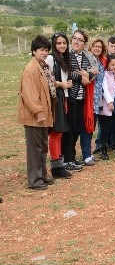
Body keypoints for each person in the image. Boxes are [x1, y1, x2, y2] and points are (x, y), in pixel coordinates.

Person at [18, 35, 55, 189]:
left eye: (46, 50)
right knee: (35, 149)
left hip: (43, 115)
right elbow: (30, 94)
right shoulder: (31, 69)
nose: (44, 53)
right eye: (41, 49)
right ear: (33, 51)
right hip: (35, 116)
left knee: (42, 146)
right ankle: (34, 180)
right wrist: (39, 113)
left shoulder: (43, 66)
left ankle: (42, 174)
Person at [66, 29, 98, 168]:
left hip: (83, 98)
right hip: (70, 96)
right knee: (70, 129)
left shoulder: (88, 57)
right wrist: (82, 77)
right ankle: (68, 158)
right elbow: (66, 72)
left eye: (80, 40)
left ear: (84, 43)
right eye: (74, 38)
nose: (76, 41)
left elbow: (95, 72)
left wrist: (88, 75)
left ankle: (71, 157)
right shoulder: (67, 55)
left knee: (78, 128)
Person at [46, 33, 73, 178]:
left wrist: (66, 84)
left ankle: (59, 163)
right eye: (59, 43)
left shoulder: (62, 59)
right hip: (56, 98)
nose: (62, 45)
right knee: (56, 132)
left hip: (63, 97)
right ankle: (56, 166)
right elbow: (46, 78)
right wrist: (61, 84)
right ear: (54, 45)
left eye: (64, 43)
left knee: (60, 131)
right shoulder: (51, 59)